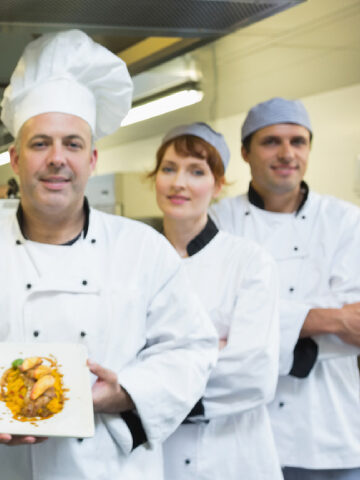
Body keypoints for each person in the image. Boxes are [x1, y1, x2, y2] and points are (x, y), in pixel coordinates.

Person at [0, 30, 218, 480]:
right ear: (15, 159)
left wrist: (125, 393)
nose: (57, 158)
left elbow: (190, 349)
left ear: (93, 159)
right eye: (40, 143)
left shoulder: (143, 249)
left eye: (73, 144)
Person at [210, 98, 360, 480]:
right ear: (245, 152)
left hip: (329, 428)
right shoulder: (217, 220)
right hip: (239, 428)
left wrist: (255, 329)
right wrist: (330, 319)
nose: (286, 153)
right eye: (271, 141)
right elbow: (211, 323)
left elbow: (356, 327)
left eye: (298, 141)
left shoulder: (345, 221)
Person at [151, 123, 282, 479]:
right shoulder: (134, 261)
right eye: (169, 169)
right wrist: (210, 352)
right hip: (154, 455)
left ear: (218, 184)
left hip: (231, 456)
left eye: (197, 171)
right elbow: (113, 356)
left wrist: (148, 387)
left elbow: (253, 371)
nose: (179, 182)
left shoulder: (250, 262)